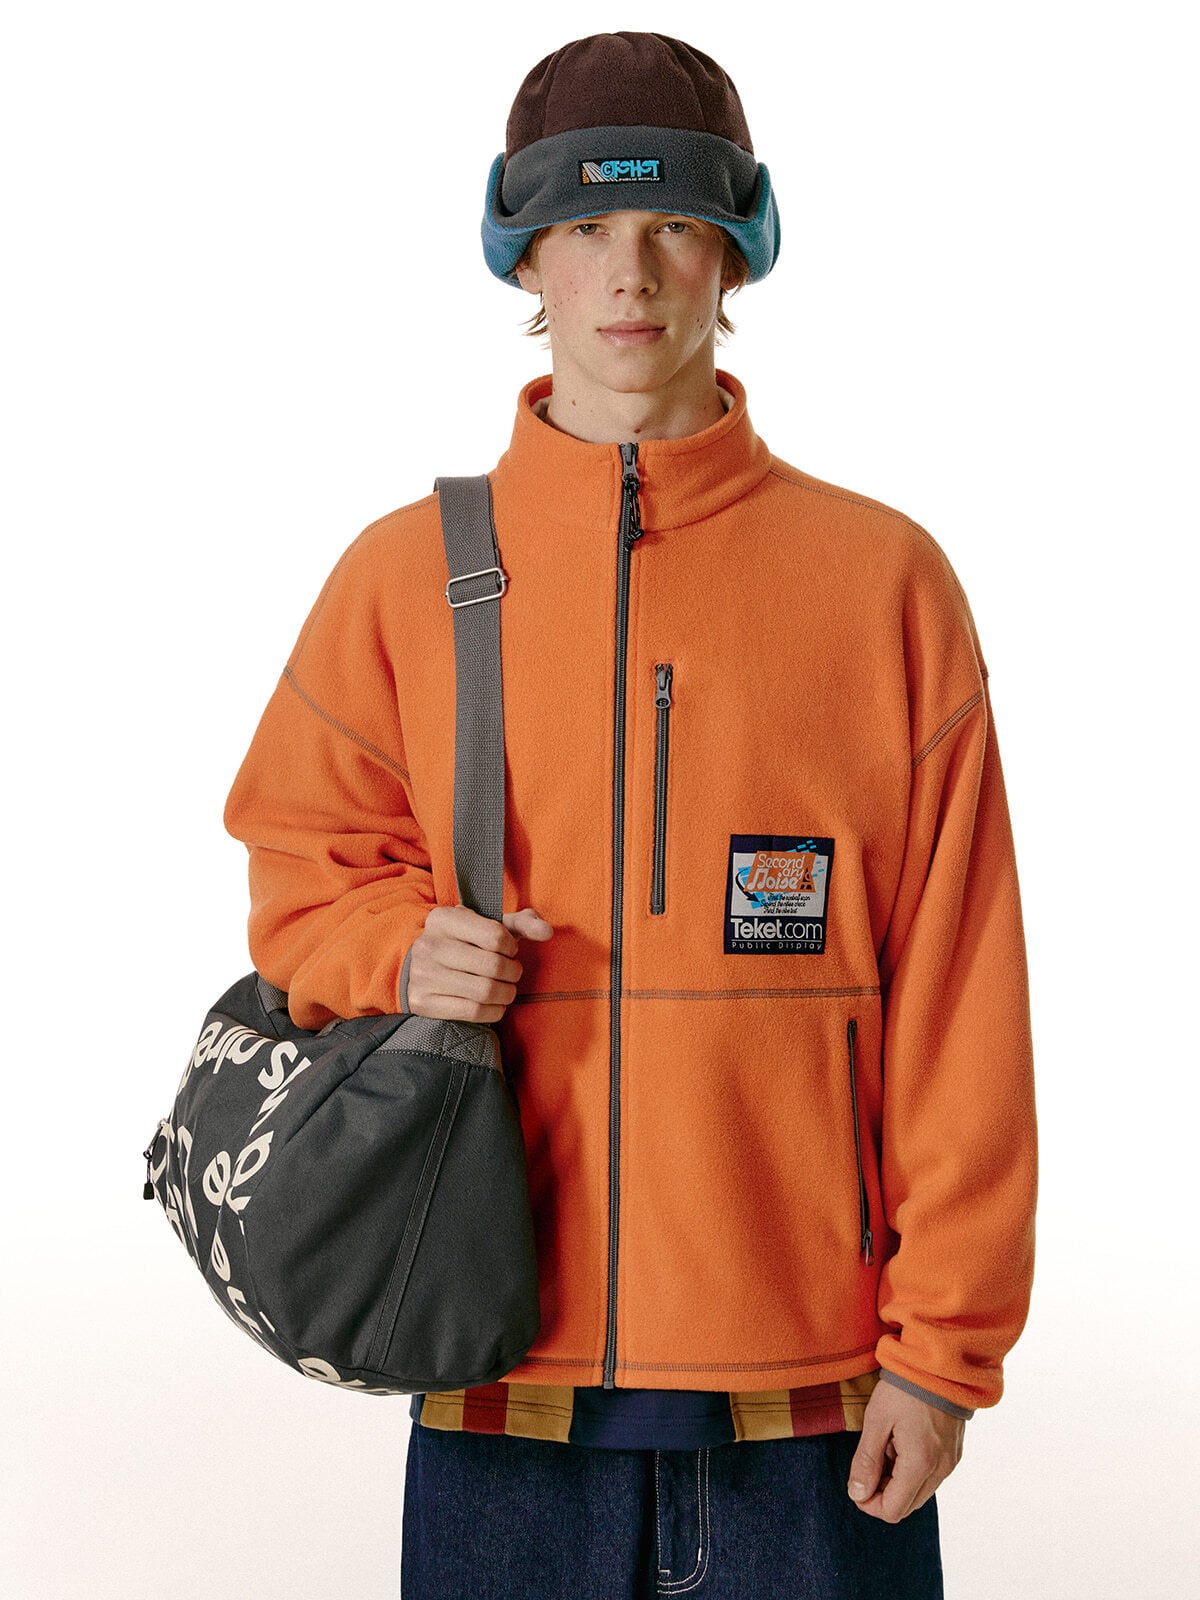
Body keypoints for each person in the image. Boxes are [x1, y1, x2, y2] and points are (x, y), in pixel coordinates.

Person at [224, 31, 1037, 1600]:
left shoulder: (884, 584)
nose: (632, 272)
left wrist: (944, 1352)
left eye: (673, 223)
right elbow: (299, 880)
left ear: (738, 248)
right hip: (496, 1382)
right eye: (587, 226)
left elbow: (963, 994)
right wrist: (400, 949)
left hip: (813, 1402)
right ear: (524, 254)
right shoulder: (401, 578)